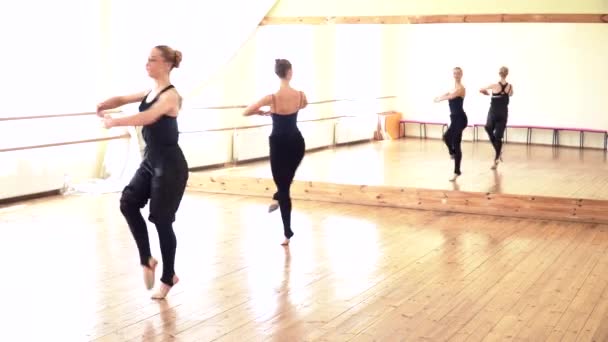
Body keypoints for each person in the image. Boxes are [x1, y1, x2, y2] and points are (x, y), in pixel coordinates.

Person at [97, 45, 188, 299]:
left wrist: (115, 122)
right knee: (128, 202)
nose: (147, 64)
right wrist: (106, 104)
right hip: (151, 161)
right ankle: (147, 259)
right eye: (147, 60)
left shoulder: (171, 96)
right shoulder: (151, 91)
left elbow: (149, 117)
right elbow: (124, 99)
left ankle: (169, 275)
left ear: (167, 65)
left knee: (161, 220)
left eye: (153, 60)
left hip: (170, 165)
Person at [243, 59, 307, 246]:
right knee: (286, 184)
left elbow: (246, 111)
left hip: (278, 144)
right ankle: (279, 197)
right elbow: (304, 105)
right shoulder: (301, 95)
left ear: (277, 74)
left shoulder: (271, 98)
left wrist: (261, 112)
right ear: (289, 73)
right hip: (296, 143)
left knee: (284, 187)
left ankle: (287, 231)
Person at [434, 67, 468, 182]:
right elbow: (448, 93)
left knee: (454, 142)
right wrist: (439, 96)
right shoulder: (453, 88)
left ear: (461, 74)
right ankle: (452, 153)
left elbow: (451, 96)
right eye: (454, 73)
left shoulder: (461, 89)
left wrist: (440, 99)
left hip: (461, 119)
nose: (456, 75)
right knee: (447, 138)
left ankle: (456, 171)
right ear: (453, 75)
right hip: (454, 119)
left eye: (458, 73)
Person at [480, 66, 513, 169]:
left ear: (499, 74)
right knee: (497, 136)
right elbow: (511, 94)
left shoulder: (494, 85)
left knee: (489, 129)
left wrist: (486, 93)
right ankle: (497, 156)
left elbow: (481, 89)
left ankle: (497, 155)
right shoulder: (510, 87)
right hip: (503, 114)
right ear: (506, 74)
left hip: (494, 112)